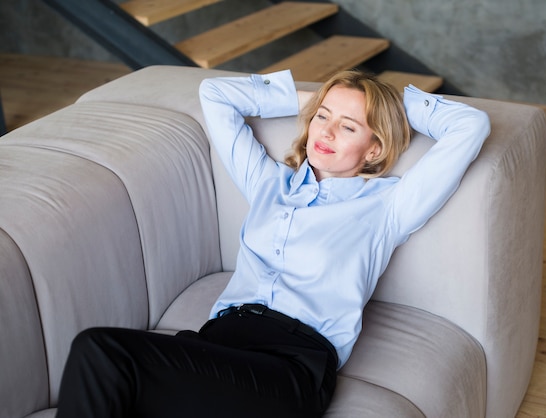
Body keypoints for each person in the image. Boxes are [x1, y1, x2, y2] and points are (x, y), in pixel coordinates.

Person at [55, 69, 490, 417]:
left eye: (349, 126)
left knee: (100, 351)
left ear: (374, 149)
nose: (327, 131)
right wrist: (315, 98)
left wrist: (391, 103)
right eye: (323, 117)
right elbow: (215, 94)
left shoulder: (387, 207)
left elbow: (470, 126)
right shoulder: (269, 182)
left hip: (289, 368)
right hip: (217, 348)